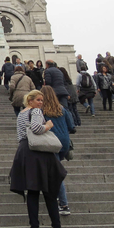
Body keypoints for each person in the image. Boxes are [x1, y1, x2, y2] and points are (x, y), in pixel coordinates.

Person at [9, 90, 66, 228]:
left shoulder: (21, 114)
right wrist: (47, 125)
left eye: (42, 100)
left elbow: (20, 134)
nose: (41, 103)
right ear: (31, 100)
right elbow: (36, 128)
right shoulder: (36, 112)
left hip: (24, 151)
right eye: (38, 100)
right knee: (50, 193)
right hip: (39, 153)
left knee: (33, 193)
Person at [40, 86, 74, 217]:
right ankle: (56, 196)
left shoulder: (42, 111)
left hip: (51, 142)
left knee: (56, 173)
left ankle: (64, 204)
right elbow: (71, 126)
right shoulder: (62, 108)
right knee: (54, 168)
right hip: (64, 143)